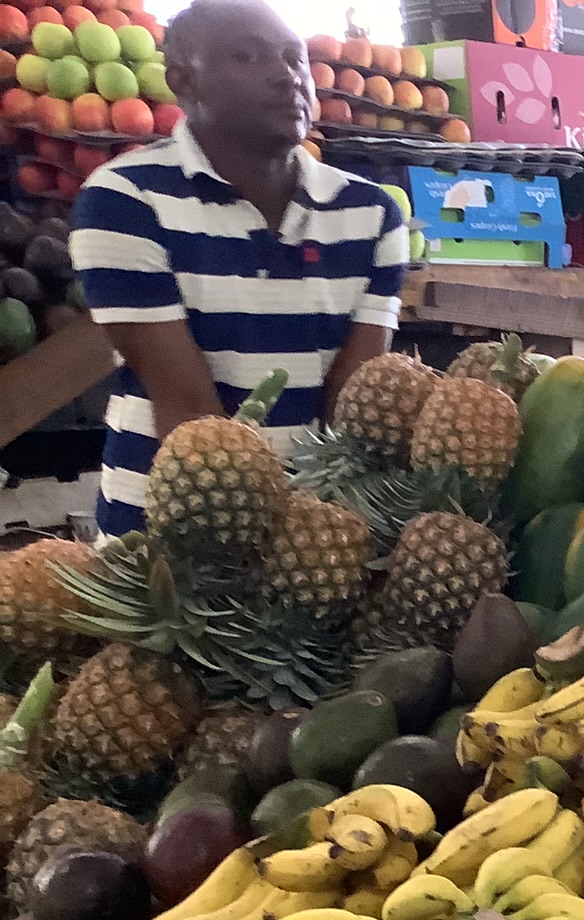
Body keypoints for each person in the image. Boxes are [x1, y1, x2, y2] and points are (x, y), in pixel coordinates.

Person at [67, 0, 407, 536]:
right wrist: (261, 548)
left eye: (294, 58)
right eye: (246, 57)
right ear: (183, 82)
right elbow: (187, 407)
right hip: (161, 538)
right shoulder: (125, 199)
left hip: (311, 538)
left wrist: (317, 541)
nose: (286, 76)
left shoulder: (372, 214)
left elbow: (351, 410)